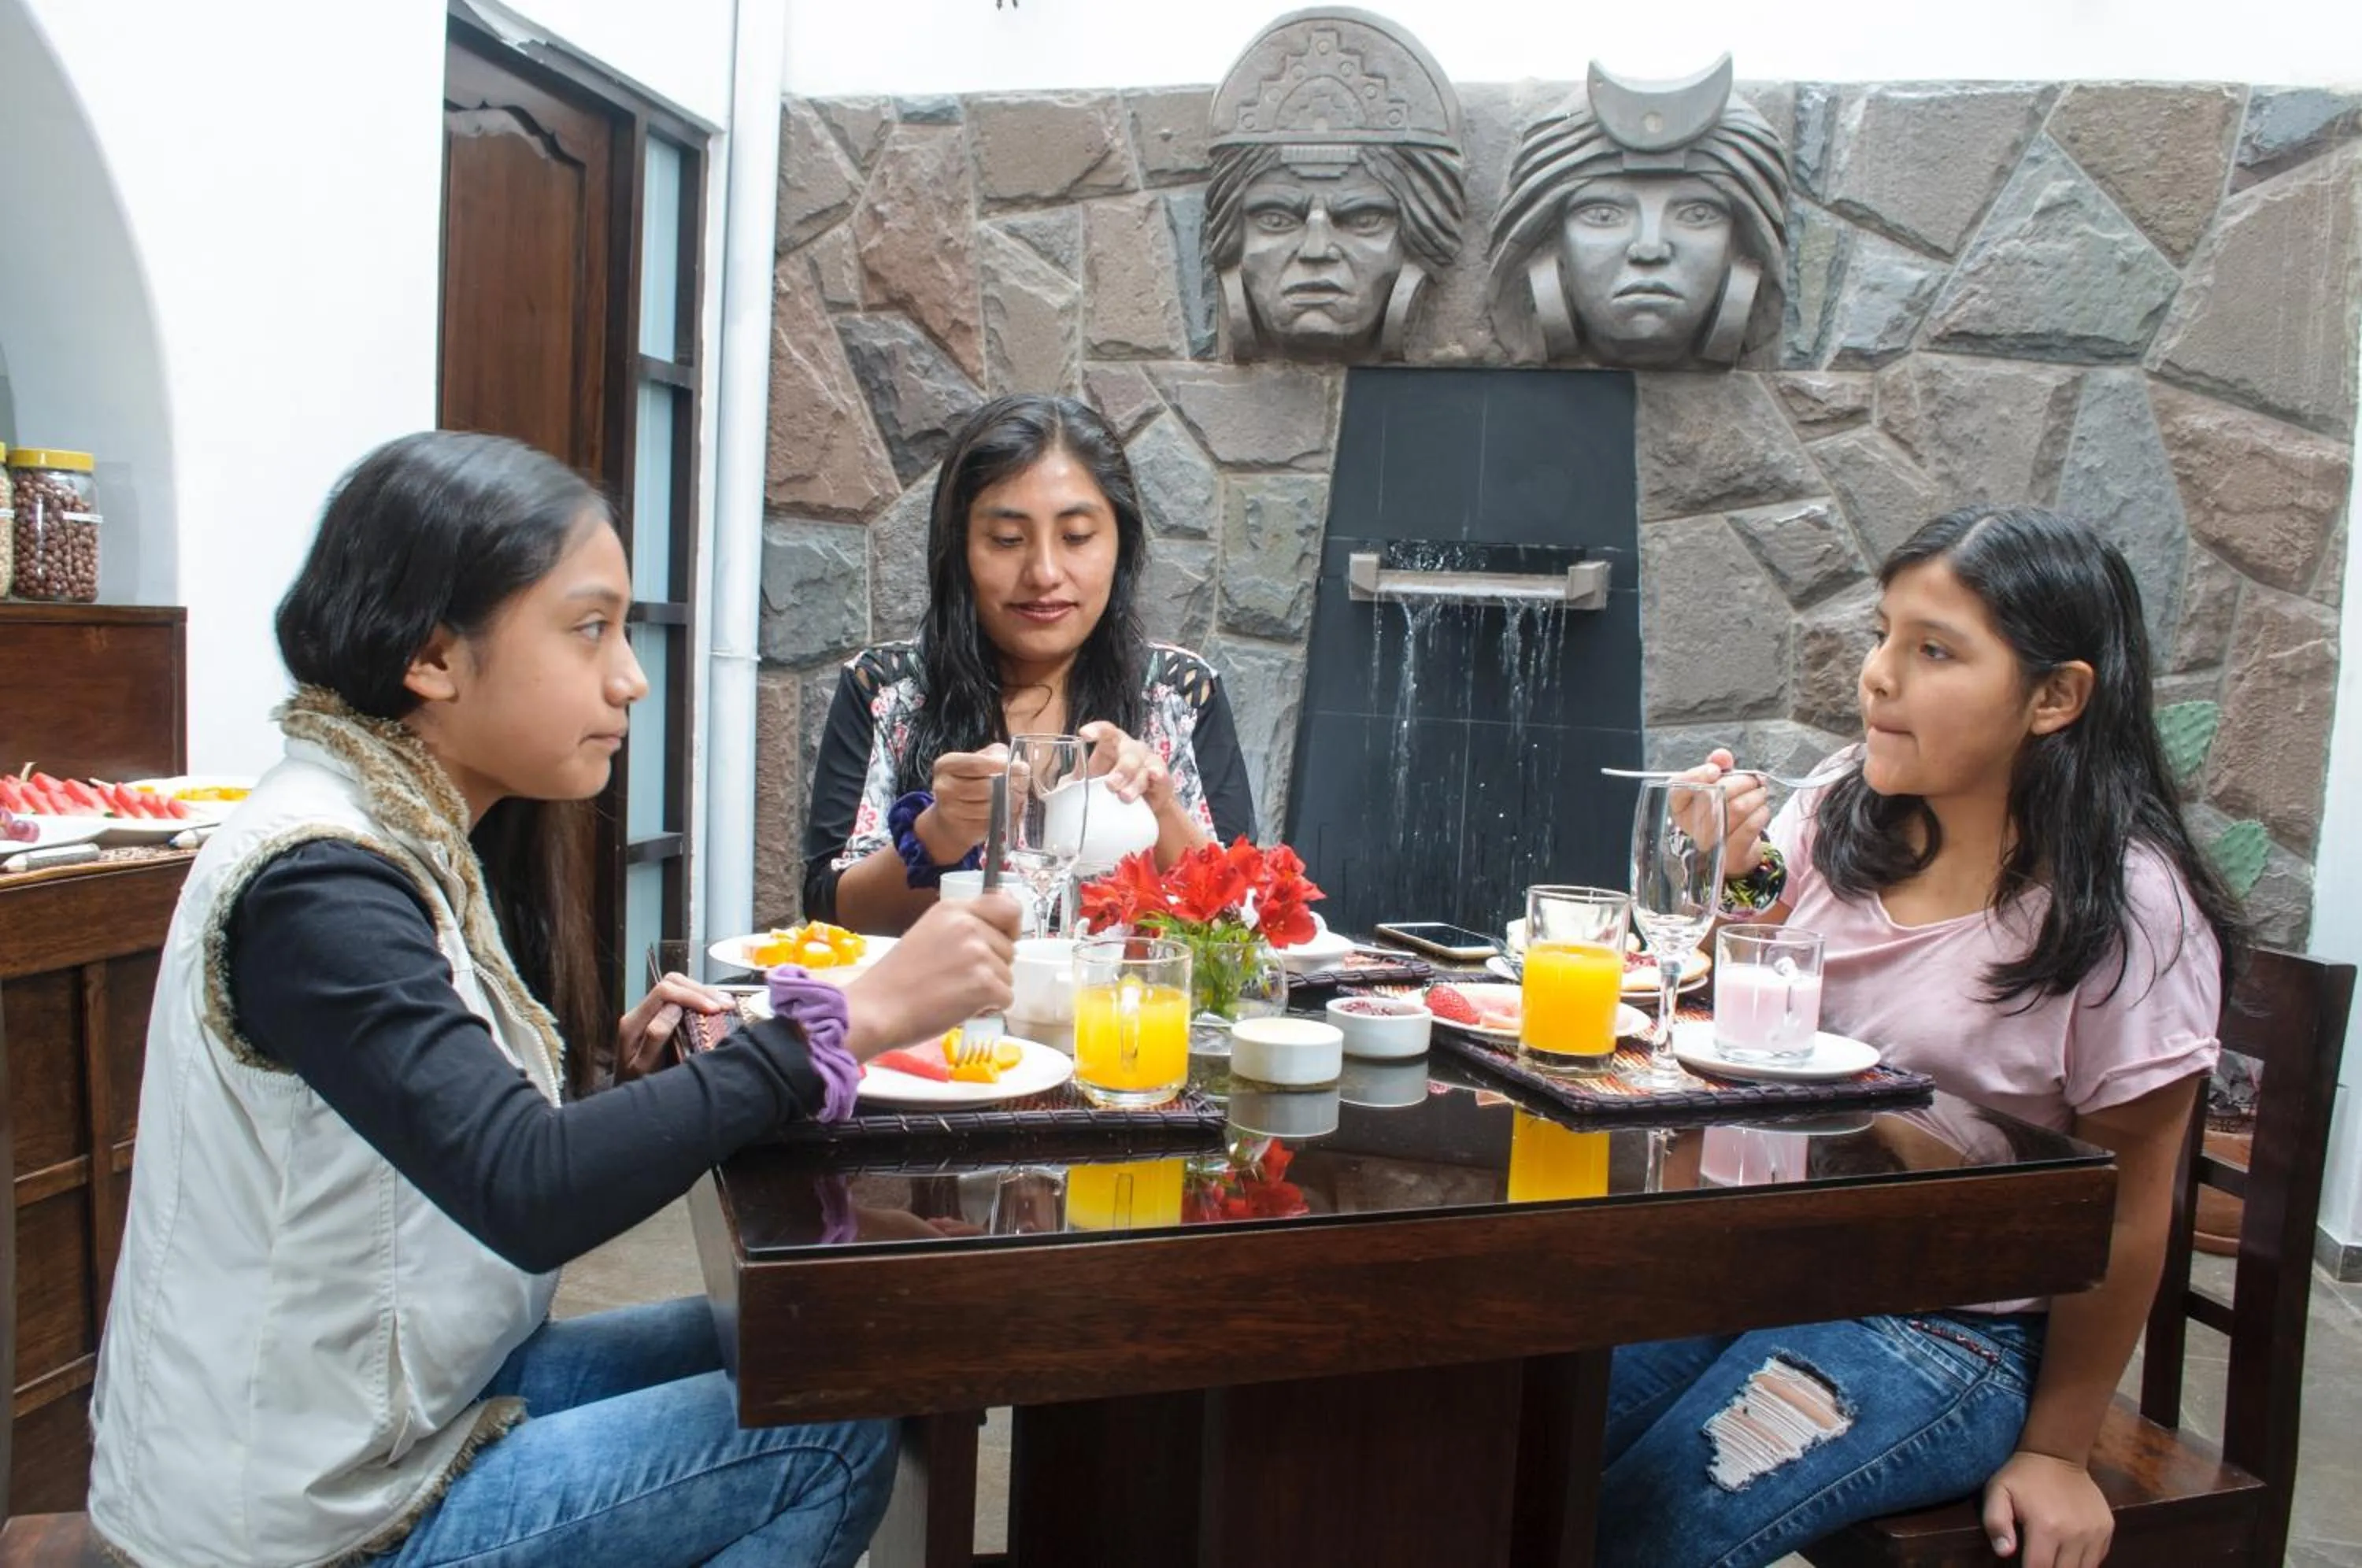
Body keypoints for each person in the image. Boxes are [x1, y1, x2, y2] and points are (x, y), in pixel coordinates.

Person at [86, 432, 1020, 1568]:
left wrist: (633, 1093)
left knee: (813, 1331)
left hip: (390, 1407)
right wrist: (848, 1021)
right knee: (826, 1427)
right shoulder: (318, 886)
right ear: (433, 656)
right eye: (589, 629)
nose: (630, 676)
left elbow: (462, 1133)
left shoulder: (397, 824)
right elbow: (528, 1185)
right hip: (300, 1517)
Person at [1601, 506, 2242, 1568]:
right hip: (1761, 1257)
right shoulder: (1842, 805)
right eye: (1883, 635)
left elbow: (2131, 1208)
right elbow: (1749, 951)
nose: (1879, 677)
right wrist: (1731, 864)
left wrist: (2059, 1449)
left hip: (1956, 1322)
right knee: (1511, 1425)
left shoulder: (2129, 914)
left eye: (1934, 651)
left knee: (1649, 1523)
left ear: (2055, 697)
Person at [805, 394, 1257, 933]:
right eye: (1008, 540)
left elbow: (1244, 924)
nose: (1044, 572)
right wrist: (939, 834)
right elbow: (829, 911)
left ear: (1121, 543)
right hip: (945, 991)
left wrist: (1158, 807)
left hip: (1123, 992)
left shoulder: (1178, 692)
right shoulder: (887, 688)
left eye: (1076, 537)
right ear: (957, 549)